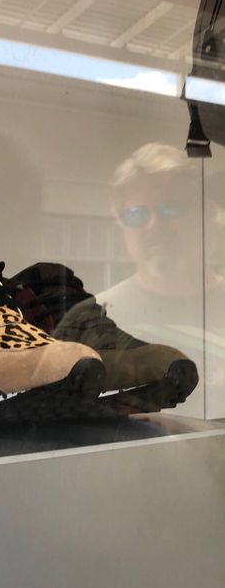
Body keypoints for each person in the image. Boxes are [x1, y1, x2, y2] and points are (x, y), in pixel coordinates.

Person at [97, 143, 225, 418]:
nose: (154, 224)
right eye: (136, 214)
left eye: (171, 208)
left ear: (206, 214)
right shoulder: (92, 318)